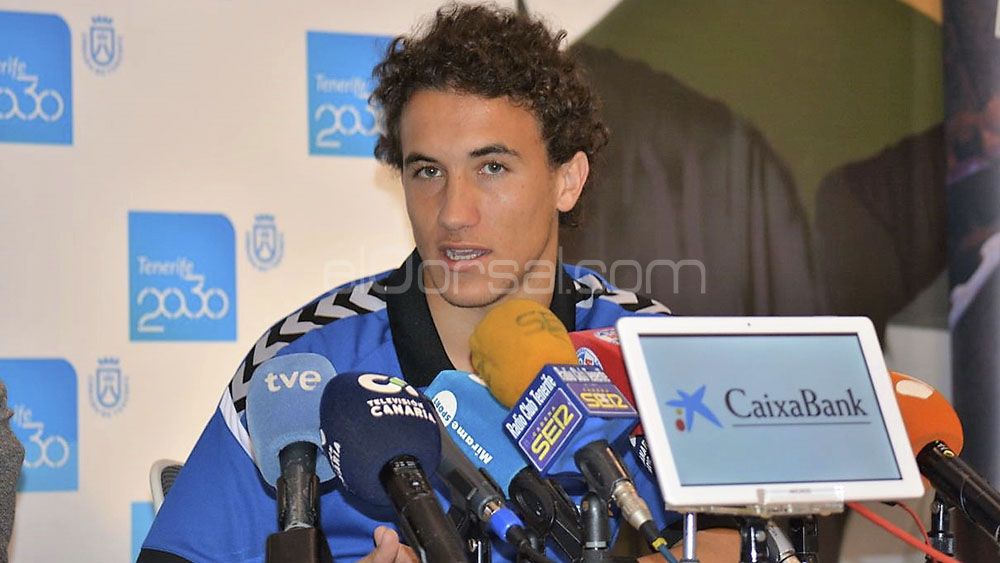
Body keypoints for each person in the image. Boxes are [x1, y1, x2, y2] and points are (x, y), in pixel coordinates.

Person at [140, 4, 736, 561]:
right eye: (428, 171)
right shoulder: (299, 366)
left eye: (492, 167)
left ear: (567, 180)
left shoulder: (653, 352)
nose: (453, 212)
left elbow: (747, 539)